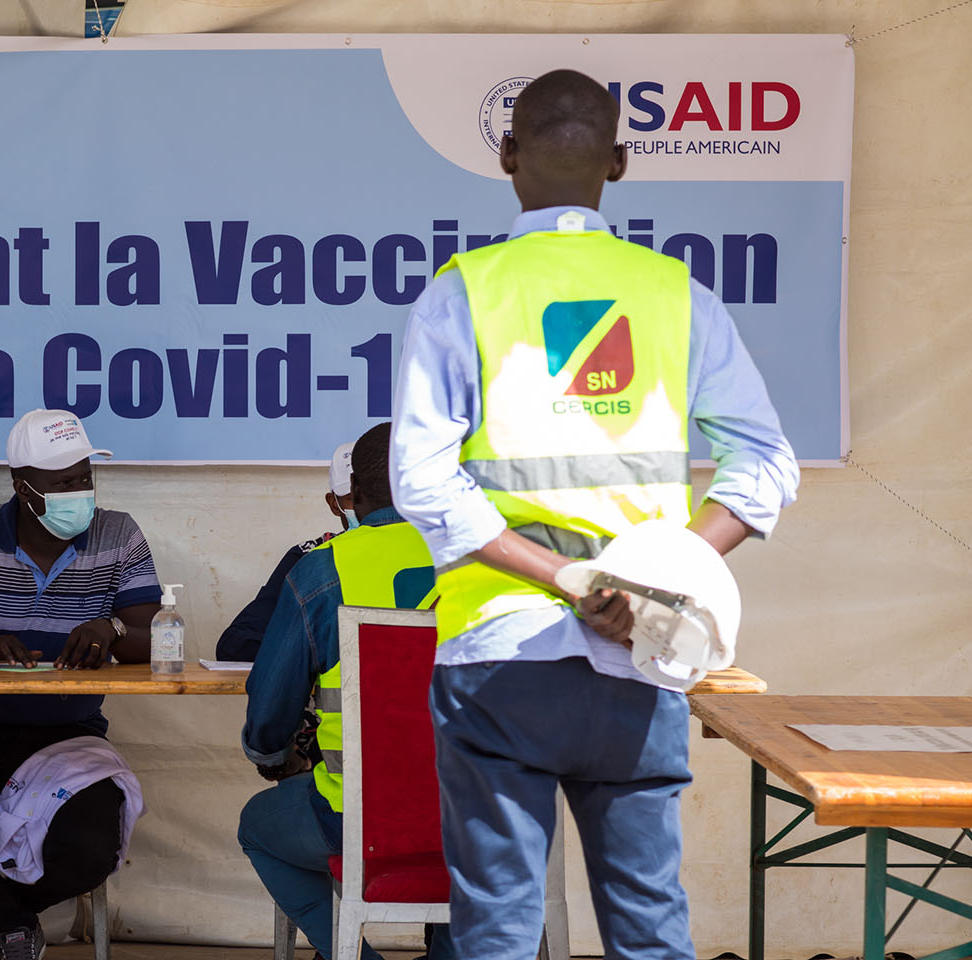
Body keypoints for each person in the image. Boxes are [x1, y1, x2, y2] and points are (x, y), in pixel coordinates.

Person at [389, 69, 799, 960]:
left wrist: (569, 580)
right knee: (648, 926)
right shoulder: (676, 296)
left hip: (501, 657)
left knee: (496, 928)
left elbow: (422, 484)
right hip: (642, 652)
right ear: (618, 160)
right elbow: (765, 464)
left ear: (507, 155)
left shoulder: (461, 295)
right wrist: (656, 582)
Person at [0, 409, 162, 960]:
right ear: (23, 487)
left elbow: (155, 638)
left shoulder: (119, 534)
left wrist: (110, 629)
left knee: (96, 845)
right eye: (64, 482)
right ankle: (15, 926)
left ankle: (7, 924)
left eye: (85, 477)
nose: (80, 492)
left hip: (71, 731)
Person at [236, 423, 451, 960]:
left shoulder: (322, 571)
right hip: (484, 814)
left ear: (357, 491)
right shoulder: (490, 563)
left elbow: (270, 711)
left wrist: (272, 755)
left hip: (360, 819)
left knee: (256, 827)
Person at [214, 439, 359, 662]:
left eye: (380, 497)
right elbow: (236, 644)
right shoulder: (309, 558)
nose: (366, 508)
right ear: (333, 504)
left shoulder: (426, 554)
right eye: (352, 499)